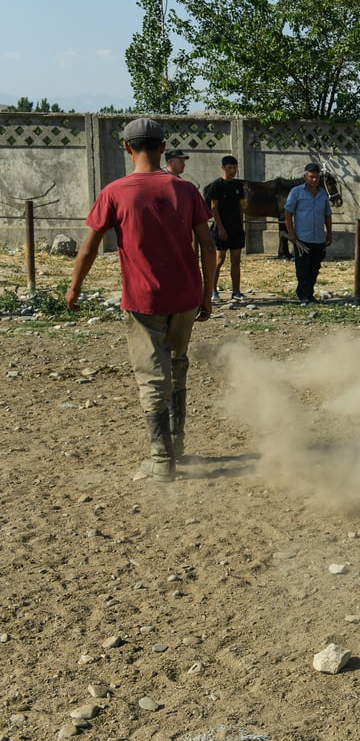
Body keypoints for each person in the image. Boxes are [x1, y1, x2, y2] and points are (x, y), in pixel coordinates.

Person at [65, 117, 216, 482]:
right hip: (185, 296)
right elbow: (208, 247)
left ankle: (162, 461)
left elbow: (88, 248)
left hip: (143, 298)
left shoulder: (115, 192)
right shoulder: (186, 190)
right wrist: (207, 293)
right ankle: (177, 445)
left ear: (127, 148)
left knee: (151, 377)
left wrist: (74, 287)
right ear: (163, 148)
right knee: (177, 365)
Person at [284, 161, 333, 304]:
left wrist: (329, 233)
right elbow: (288, 213)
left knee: (314, 268)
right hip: (302, 238)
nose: (314, 180)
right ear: (305, 176)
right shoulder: (296, 192)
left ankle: (309, 294)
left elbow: (327, 215)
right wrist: (291, 233)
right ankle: (303, 295)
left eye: (317, 177)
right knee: (303, 268)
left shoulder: (323, 193)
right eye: (311, 177)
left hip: (318, 238)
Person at [207, 155, 247, 301]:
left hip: (236, 229)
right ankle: (213, 291)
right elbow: (214, 208)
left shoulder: (238, 185)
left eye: (235, 168)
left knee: (236, 260)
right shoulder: (217, 185)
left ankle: (236, 291)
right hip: (221, 229)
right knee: (219, 260)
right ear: (223, 167)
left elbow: (242, 207)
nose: (232, 171)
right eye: (229, 168)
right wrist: (221, 228)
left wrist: (241, 225)